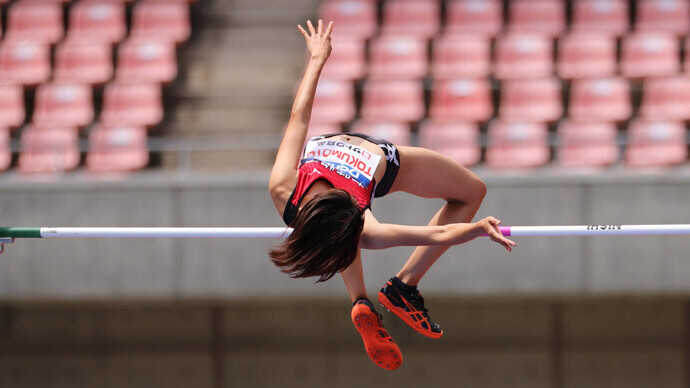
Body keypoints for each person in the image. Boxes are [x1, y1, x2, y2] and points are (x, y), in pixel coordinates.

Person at [268, 20, 516, 370]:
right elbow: (298, 118)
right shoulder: (283, 186)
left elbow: (440, 234)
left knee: (351, 237)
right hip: (364, 153)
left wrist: (479, 229)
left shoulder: (287, 188)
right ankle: (401, 287)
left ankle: (364, 299)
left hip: (373, 164)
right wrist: (317, 59)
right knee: (471, 191)